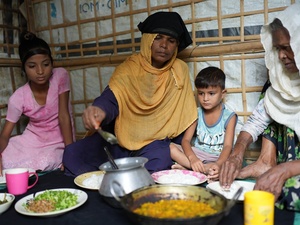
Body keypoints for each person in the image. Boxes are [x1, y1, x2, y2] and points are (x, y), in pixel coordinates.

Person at [62, 11, 197, 176]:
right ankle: (120, 179)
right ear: (147, 39)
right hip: (120, 143)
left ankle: (123, 178)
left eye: (171, 41)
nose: (164, 45)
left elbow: (185, 114)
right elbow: (111, 99)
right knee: (72, 153)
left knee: (161, 160)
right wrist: (98, 111)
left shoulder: (178, 70)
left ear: (176, 46)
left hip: (154, 145)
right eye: (158, 37)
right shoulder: (129, 68)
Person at [219, 3, 300, 211]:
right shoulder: (282, 82)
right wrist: (236, 155)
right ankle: (266, 161)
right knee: (274, 94)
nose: (281, 56)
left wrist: (286, 170)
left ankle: (277, 170)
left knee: (290, 192)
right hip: (288, 164)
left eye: (287, 47)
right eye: (278, 48)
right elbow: (255, 123)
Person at [0, 31, 75, 175]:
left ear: (52, 63)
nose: (40, 71)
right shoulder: (18, 98)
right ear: (24, 69)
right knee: (7, 156)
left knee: (49, 159)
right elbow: (4, 136)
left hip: (59, 140)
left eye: (45, 64)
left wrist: (70, 153)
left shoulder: (60, 76)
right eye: (32, 66)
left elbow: (64, 116)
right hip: (32, 141)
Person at [170, 66, 237, 181]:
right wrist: (193, 159)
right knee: (170, 147)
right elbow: (186, 141)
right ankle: (201, 169)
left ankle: (192, 169)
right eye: (201, 93)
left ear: (222, 93)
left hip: (218, 157)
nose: (205, 98)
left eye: (211, 93)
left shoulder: (229, 117)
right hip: (198, 154)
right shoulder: (196, 113)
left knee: (231, 163)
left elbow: (227, 146)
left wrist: (218, 164)